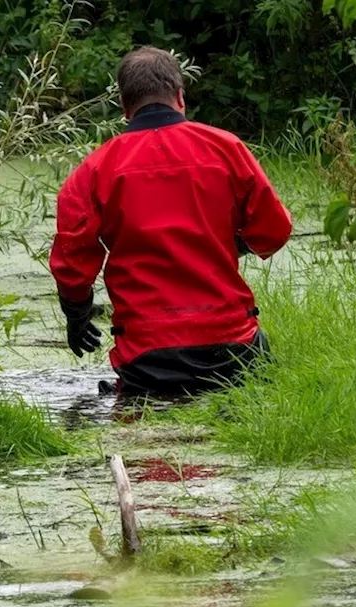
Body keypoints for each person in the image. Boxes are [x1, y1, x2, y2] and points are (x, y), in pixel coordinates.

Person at [50, 47, 293, 398]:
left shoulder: (93, 171)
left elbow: (72, 261)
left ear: (123, 105)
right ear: (180, 95)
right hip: (232, 347)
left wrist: (77, 317)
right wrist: (223, 243)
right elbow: (275, 230)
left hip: (148, 358)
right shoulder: (228, 149)